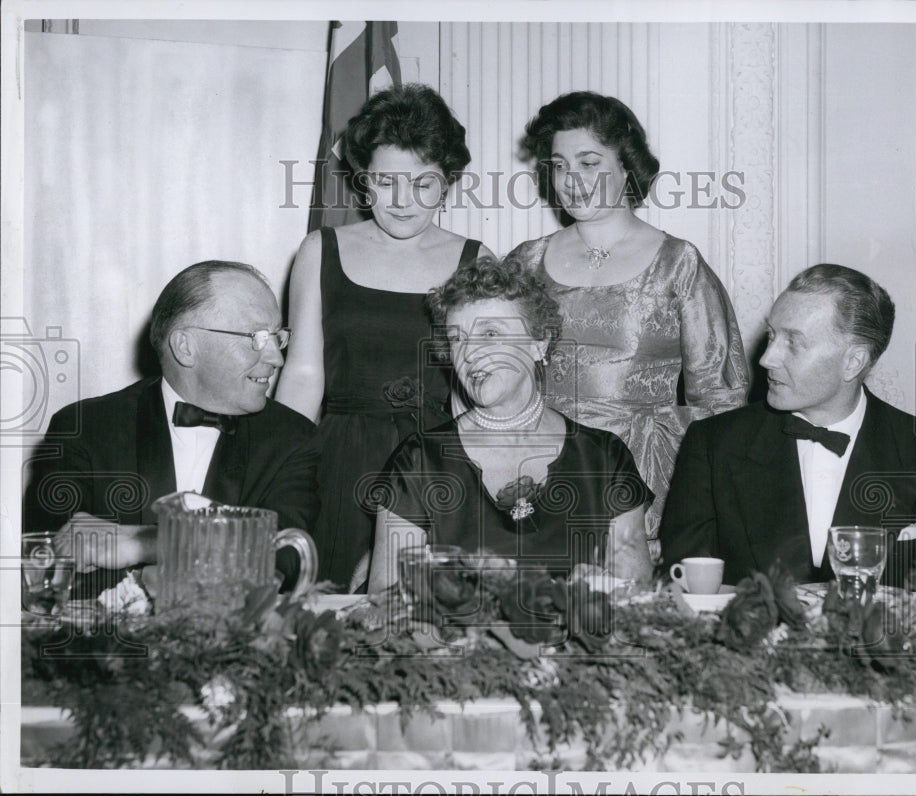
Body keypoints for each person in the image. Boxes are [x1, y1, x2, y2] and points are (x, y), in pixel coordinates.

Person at [510, 91, 749, 556]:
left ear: (627, 166)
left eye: (588, 161)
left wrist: (697, 500)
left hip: (646, 475)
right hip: (542, 467)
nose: (571, 180)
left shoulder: (678, 263)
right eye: (559, 165)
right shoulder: (525, 263)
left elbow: (721, 397)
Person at [275, 84, 494, 591]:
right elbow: (304, 375)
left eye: (423, 183)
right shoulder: (319, 249)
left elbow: (479, 393)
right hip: (337, 463)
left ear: (448, 184)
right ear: (363, 180)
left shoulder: (477, 261)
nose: (402, 201)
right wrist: (274, 470)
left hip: (437, 466)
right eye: (387, 181)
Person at [658, 264, 916, 586]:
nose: (767, 358)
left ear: (853, 362)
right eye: (772, 335)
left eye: (793, 342)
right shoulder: (713, 444)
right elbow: (683, 586)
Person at [23, 261, 320, 596]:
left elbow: (284, 557)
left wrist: (144, 542)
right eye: (256, 337)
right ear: (185, 347)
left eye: (276, 336)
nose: (277, 358)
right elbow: (44, 565)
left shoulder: (292, 438)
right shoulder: (85, 429)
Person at [366, 256, 655, 593]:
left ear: (539, 343)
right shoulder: (420, 459)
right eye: (457, 339)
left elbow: (635, 595)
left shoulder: (604, 457)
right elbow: (387, 601)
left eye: (490, 333)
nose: (470, 354)